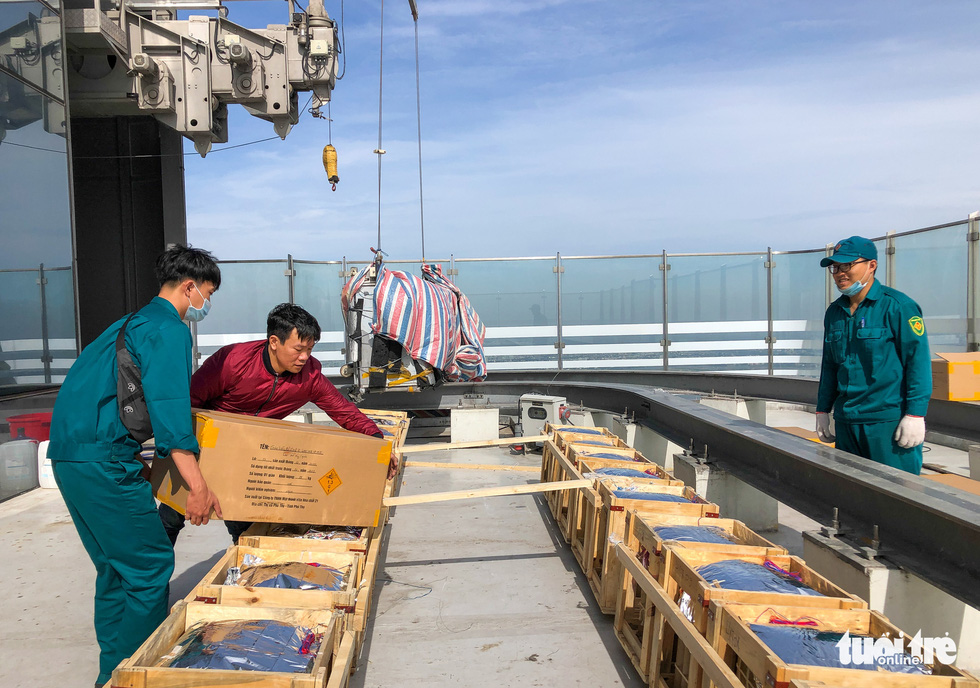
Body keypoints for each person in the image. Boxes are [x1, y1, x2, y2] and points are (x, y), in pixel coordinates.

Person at [47, 244, 223, 688]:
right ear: (189, 287)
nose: (207, 304)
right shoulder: (167, 329)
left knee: (115, 571)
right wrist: (197, 487)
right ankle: (138, 676)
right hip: (103, 460)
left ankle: (111, 675)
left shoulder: (126, 324)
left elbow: (100, 397)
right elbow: (171, 414)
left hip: (72, 457)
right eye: (208, 293)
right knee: (148, 567)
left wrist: (133, 458)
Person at [159, 302, 385, 546]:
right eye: (299, 349)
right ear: (274, 341)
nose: (305, 357)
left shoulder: (309, 376)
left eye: (310, 349)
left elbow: (344, 411)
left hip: (250, 457)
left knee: (246, 527)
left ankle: (247, 577)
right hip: (204, 450)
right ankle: (150, 583)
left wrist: (377, 442)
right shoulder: (232, 362)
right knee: (170, 518)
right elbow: (185, 406)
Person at [815, 236, 932, 475]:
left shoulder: (898, 306)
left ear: (872, 265)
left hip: (886, 423)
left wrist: (915, 414)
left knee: (897, 497)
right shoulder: (835, 312)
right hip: (847, 421)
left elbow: (917, 362)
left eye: (847, 266)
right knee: (852, 498)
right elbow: (830, 365)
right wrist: (822, 409)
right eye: (835, 267)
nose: (839, 273)